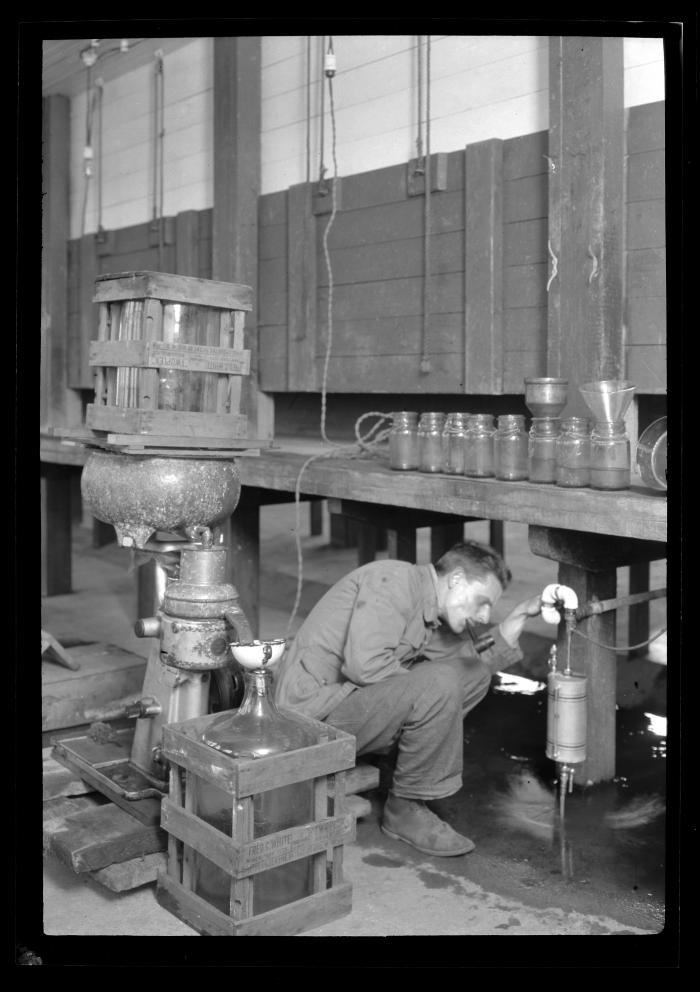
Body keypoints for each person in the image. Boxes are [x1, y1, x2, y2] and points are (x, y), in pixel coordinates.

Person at [274, 540, 542, 857]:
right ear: (456, 580)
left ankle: (396, 776)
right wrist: (428, 687)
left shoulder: (427, 610)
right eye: (482, 602)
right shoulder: (393, 581)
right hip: (308, 721)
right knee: (439, 682)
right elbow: (366, 666)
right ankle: (406, 807)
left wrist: (518, 618)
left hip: (340, 712)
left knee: (472, 676)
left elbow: (465, 665)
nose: (484, 616)